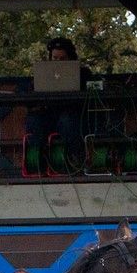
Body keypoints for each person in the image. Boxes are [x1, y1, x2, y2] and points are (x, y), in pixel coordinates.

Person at [25, 37, 89, 173]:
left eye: (62, 58)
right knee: (34, 120)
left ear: (70, 58)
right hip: (48, 115)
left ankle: (73, 160)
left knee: (68, 121)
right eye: (55, 58)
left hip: (71, 115)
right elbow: (31, 95)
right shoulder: (43, 73)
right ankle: (39, 160)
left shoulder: (83, 74)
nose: (58, 62)